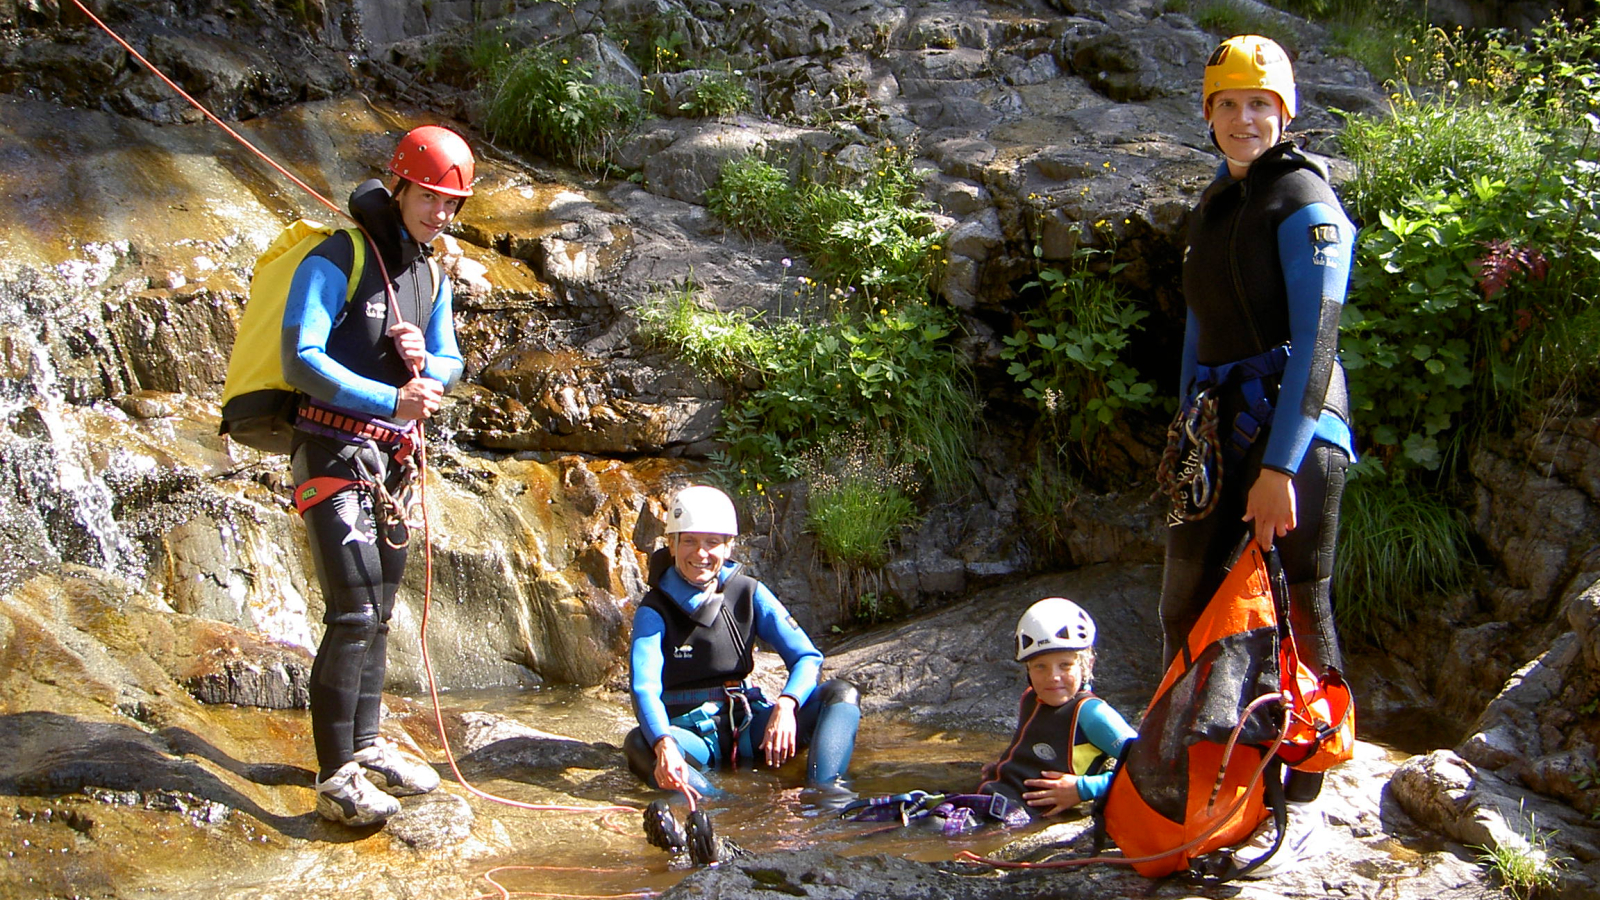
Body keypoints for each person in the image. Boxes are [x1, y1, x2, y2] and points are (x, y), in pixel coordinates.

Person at [1157, 34, 1357, 876]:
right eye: (1228, 104)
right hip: (1220, 431)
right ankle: (1206, 776)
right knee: (1185, 601)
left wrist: (1280, 470)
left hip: (1299, 438)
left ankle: (1304, 789)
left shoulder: (1305, 200)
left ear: (1287, 112)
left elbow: (1316, 342)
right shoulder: (1211, 207)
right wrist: (1184, 435)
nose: (1244, 119)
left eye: (1260, 104)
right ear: (1208, 115)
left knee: (1295, 607)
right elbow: (1199, 333)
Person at [286, 124, 471, 826]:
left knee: (383, 613)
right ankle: (336, 777)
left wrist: (428, 362)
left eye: (452, 204)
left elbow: (450, 362)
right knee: (354, 609)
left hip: (392, 463)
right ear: (399, 186)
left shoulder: (430, 275)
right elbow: (302, 356)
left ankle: (365, 748)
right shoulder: (339, 256)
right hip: (330, 449)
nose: (440, 213)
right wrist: (391, 398)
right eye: (430, 197)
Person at [626, 485, 861, 859]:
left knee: (841, 694)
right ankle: (718, 809)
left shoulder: (749, 592)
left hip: (750, 726)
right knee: (640, 743)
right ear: (671, 545)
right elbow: (644, 688)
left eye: (712, 542)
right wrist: (665, 743)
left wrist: (786, 704)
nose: (700, 554)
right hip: (691, 737)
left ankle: (827, 799)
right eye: (689, 542)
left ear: (729, 547)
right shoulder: (653, 610)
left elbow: (807, 657)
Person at [839, 597, 1134, 834]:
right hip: (993, 798)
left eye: (1065, 665)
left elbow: (1152, 768)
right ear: (1028, 670)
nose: (1052, 677)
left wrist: (1082, 789)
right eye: (1040, 667)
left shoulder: (1092, 713)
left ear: (1087, 664)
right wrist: (1003, 765)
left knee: (913, 834)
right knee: (880, 817)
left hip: (1016, 814)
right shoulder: (1033, 699)